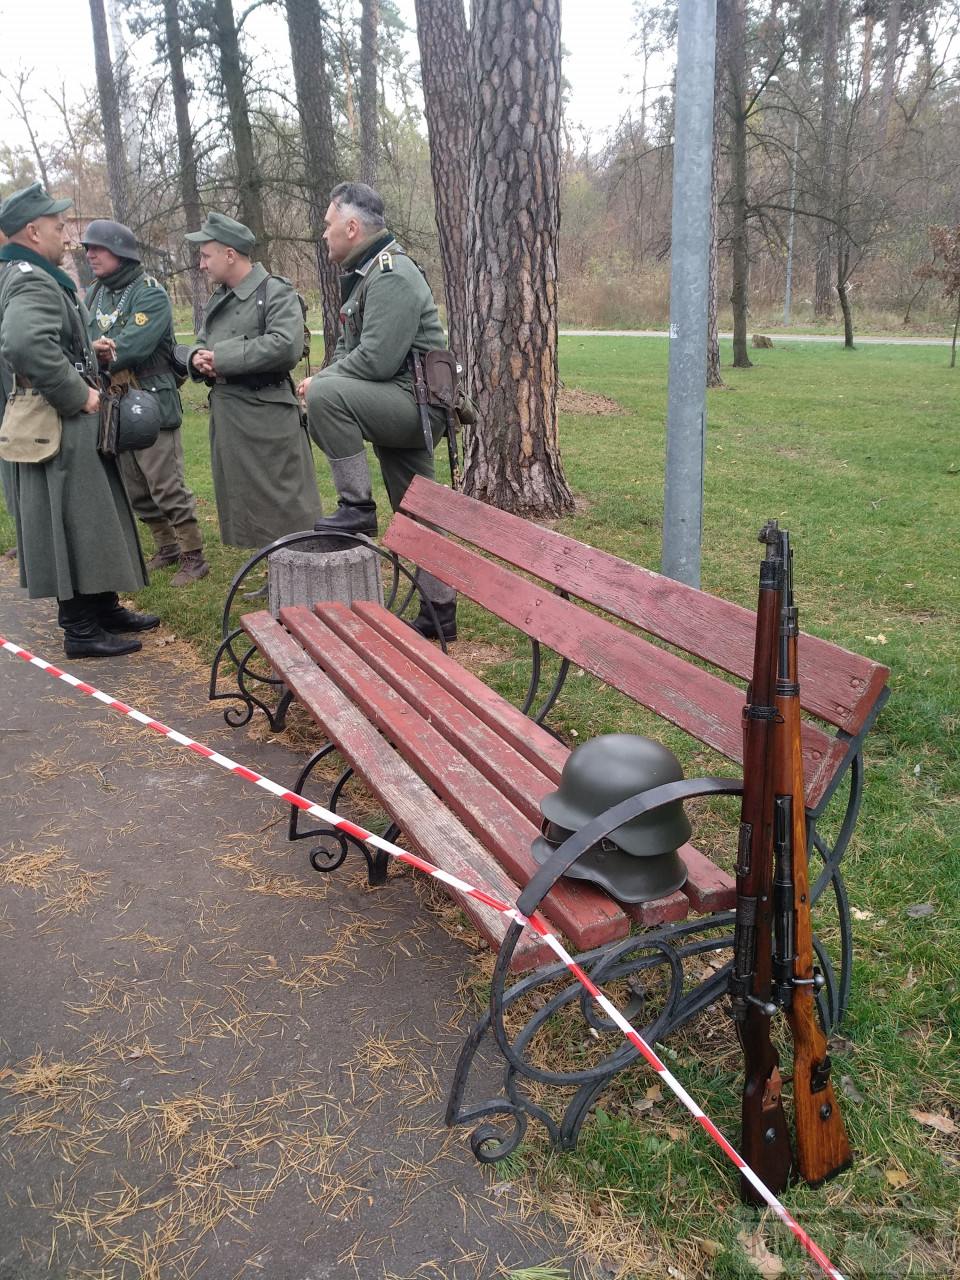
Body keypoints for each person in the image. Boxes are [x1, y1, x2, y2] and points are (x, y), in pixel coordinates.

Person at [0, 183, 158, 659]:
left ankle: (102, 607)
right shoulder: (30, 277)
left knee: (92, 518)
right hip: (57, 421)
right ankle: (80, 628)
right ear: (32, 230)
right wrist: (77, 393)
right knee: (71, 520)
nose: (65, 232)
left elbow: (47, 341)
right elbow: (25, 344)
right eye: (56, 224)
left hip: (62, 418)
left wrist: (86, 352)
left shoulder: (30, 274)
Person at [298, 182, 458, 642]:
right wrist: (327, 376)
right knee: (417, 511)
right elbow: (358, 355)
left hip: (414, 404)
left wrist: (323, 382)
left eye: (328, 226)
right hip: (400, 400)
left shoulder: (390, 274)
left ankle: (356, 507)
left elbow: (376, 360)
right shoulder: (366, 274)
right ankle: (439, 613)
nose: (323, 235)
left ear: (352, 227)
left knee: (326, 396)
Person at [82, 219, 209, 586]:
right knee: (134, 486)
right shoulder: (95, 294)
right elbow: (86, 334)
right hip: (114, 401)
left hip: (151, 399)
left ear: (120, 251)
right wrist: (94, 350)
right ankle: (166, 546)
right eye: (87, 248)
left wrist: (97, 352)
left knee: (164, 482)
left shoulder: (149, 292)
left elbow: (134, 344)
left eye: (98, 248)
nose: (90, 254)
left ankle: (193, 554)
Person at [184, 211, 321, 548]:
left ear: (230, 254)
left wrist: (224, 358)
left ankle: (301, 574)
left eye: (206, 255)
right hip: (232, 417)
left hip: (267, 416)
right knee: (249, 502)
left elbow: (285, 345)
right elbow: (203, 338)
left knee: (285, 502)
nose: (201, 264)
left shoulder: (274, 291)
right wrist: (197, 357)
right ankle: (273, 568)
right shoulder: (220, 296)